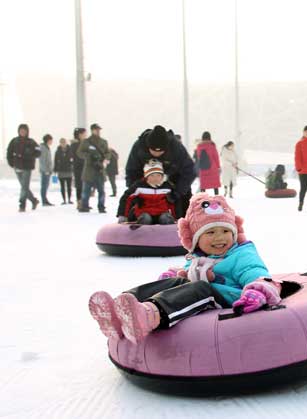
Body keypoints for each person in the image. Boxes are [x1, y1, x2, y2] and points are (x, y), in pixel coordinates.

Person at [88, 193, 281, 344]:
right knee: (178, 282)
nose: (219, 238)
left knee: (201, 288)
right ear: (196, 239)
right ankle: (119, 308)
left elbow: (257, 273)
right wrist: (176, 274)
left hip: (231, 298)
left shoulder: (242, 254)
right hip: (205, 293)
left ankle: (150, 314)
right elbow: (187, 272)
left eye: (225, 231)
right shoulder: (198, 256)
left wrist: (258, 291)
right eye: (211, 232)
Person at [125, 125, 195, 218]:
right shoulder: (139, 147)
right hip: (146, 180)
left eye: (160, 151)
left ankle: (182, 222)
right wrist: (135, 192)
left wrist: (177, 193)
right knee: (135, 203)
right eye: (153, 151)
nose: (157, 154)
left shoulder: (176, 147)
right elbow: (131, 171)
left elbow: (189, 171)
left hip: (172, 178)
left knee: (183, 199)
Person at [117, 160, 175, 225]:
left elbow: (173, 202)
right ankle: (141, 232)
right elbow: (126, 199)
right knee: (146, 218)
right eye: (152, 176)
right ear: (146, 177)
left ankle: (168, 233)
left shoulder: (167, 187)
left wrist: (177, 217)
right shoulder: (139, 186)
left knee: (166, 218)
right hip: (144, 213)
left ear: (162, 176)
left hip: (162, 213)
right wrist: (123, 215)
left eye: (158, 175)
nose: (155, 178)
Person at [6, 123, 41, 212]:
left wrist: (31, 155)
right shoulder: (14, 141)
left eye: (24, 131)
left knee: (24, 187)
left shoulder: (31, 141)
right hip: (17, 167)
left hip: (27, 167)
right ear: (18, 131)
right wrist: (11, 163)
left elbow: (38, 151)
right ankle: (34, 200)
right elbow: (9, 152)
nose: (22, 132)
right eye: (21, 130)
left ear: (27, 132)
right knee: (24, 186)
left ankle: (22, 205)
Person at [78, 123, 111, 213]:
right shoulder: (86, 142)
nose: (98, 131)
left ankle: (101, 206)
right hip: (89, 169)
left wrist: (105, 159)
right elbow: (80, 152)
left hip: (100, 169)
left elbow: (108, 153)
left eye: (99, 130)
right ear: (92, 130)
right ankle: (84, 206)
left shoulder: (103, 142)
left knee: (101, 190)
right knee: (86, 190)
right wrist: (89, 156)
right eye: (96, 129)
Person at [54, 137, 74, 204]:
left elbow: (72, 160)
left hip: (69, 170)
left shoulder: (70, 150)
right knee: (62, 187)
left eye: (64, 142)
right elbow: (55, 161)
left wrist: (72, 167)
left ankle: (69, 199)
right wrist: (55, 169)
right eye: (61, 142)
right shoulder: (58, 151)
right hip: (61, 171)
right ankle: (64, 200)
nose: (63, 144)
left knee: (69, 186)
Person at [71, 128, 86, 209]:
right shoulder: (75, 145)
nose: (85, 135)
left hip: (85, 167)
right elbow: (75, 156)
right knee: (79, 186)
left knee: (85, 186)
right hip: (78, 168)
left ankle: (84, 202)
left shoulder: (85, 143)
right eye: (84, 134)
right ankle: (79, 202)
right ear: (79, 135)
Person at [39, 134, 54, 206]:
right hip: (45, 171)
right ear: (48, 140)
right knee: (44, 186)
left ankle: (45, 199)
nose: (52, 142)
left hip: (48, 170)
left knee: (46, 185)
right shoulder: (43, 148)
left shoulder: (46, 147)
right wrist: (46, 170)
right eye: (51, 140)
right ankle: (44, 201)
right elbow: (43, 160)